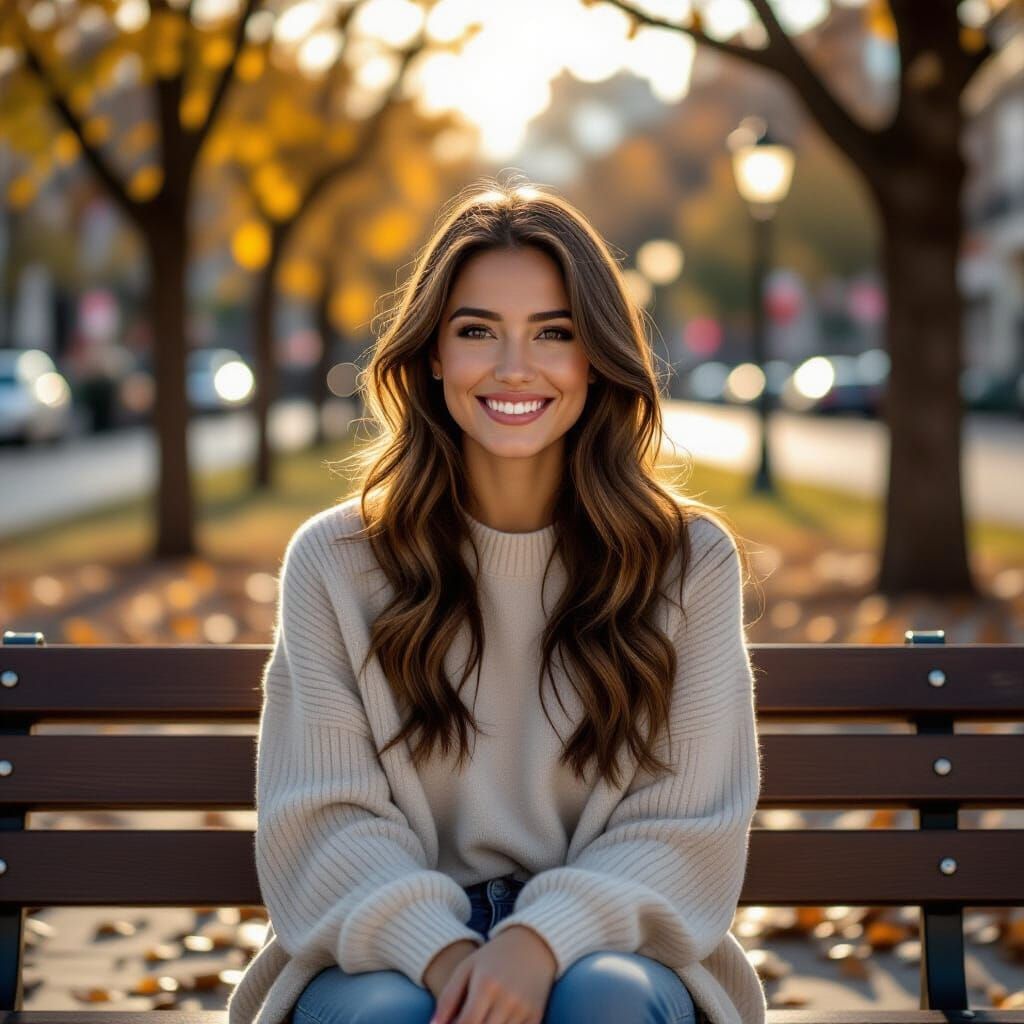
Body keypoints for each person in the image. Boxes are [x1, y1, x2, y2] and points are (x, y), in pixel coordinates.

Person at [226, 179, 766, 1024]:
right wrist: (444, 956)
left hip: (611, 948)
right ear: (433, 353)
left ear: (596, 356)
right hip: (386, 952)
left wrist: (541, 940)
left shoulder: (686, 563)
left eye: (555, 333)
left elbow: (687, 827)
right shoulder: (334, 562)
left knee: (603, 1003)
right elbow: (323, 821)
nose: (515, 367)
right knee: (388, 1017)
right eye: (478, 330)